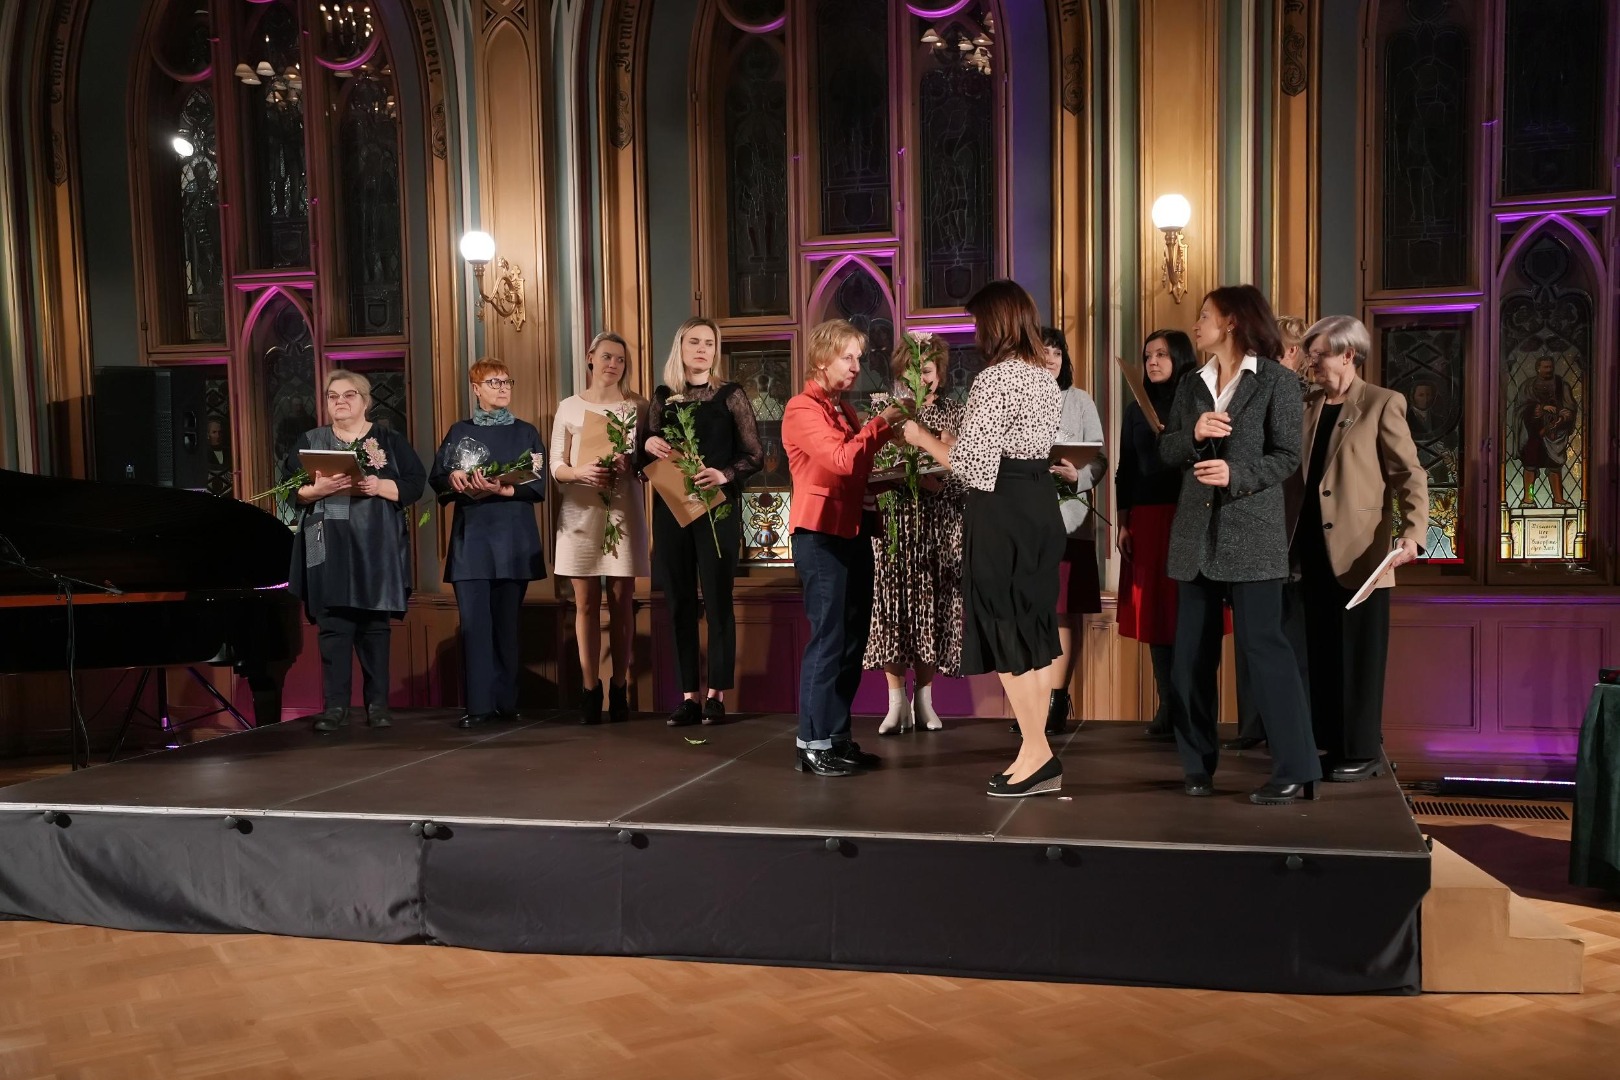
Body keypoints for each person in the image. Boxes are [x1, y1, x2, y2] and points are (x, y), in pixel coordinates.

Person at [899, 280, 1066, 797]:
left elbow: (973, 467)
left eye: (977, 322)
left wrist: (924, 439)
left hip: (1002, 512)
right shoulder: (1043, 377)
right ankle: (1034, 752)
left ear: (995, 323)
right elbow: (1008, 447)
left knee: (1004, 626)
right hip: (1038, 506)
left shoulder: (995, 378)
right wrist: (960, 441)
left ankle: (1039, 753)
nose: (974, 333)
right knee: (1033, 631)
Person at [1158, 284, 1320, 805]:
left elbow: (1287, 457)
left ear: (1231, 322)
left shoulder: (1277, 381)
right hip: (1195, 538)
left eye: (1205, 315)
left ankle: (1296, 768)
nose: (1197, 323)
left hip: (1253, 534)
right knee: (1190, 661)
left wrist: (1236, 474)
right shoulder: (1192, 383)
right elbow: (1168, 448)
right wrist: (1193, 433)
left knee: (1265, 653)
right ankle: (1197, 765)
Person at [1291, 315, 1427, 781]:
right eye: (1309, 356)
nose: (1311, 364)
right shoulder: (1307, 403)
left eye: (1319, 355)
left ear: (1348, 354)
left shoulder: (1382, 403)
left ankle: (1363, 750)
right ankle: (1331, 743)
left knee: (1359, 656)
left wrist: (1414, 532)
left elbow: (1409, 475)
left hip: (1361, 553)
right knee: (1321, 651)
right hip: (1309, 549)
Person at [782, 320, 905, 775]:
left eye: (859, 358)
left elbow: (857, 471)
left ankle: (836, 736)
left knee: (852, 639)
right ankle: (811, 742)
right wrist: (882, 423)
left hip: (852, 532)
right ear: (821, 359)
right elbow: (840, 460)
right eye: (847, 357)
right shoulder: (801, 408)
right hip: (819, 535)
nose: (856, 366)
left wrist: (895, 473)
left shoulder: (845, 410)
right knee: (829, 638)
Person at [287, 369, 426, 732]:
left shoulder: (389, 439)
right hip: (326, 543)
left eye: (348, 395)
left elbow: (415, 484)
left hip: (374, 544)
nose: (340, 402)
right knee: (332, 627)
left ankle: (377, 705)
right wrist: (315, 491)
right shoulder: (311, 441)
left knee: (374, 627)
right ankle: (335, 707)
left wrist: (380, 486)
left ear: (365, 401)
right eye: (333, 396)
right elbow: (288, 489)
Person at [641, 317, 763, 726]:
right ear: (680, 347)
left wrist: (724, 474)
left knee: (717, 600)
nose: (702, 349)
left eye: (709, 343)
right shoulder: (663, 397)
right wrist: (648, 442)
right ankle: (689, 696)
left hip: (718, 510)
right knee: (679, 601)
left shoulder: (731, 395)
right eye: (694, 342)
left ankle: (716, 695)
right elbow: (644, 458)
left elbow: (754, 455)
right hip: (672, 510)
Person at [428, 359, 547, 729]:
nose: (502, 387)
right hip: (473, 541)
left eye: (506, 381)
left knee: (506, 627)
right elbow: (437, 479)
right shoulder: (459, 431)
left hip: (513, 540)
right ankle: (479, 706)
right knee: (475, 627)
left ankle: (506, 704)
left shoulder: (526, 432)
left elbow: (539, 483)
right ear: (475, 388)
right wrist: (454, 476)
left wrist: (504, 488)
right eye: (493, 382)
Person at [866, 331, 967, 735]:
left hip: (938, 526)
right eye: (911, 372)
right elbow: (867, 464)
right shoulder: (884, 410)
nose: (919, 379)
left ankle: (924, 700)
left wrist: (937, 484)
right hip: (894, 525)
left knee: (931, 608)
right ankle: (895, 703)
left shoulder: (955, 414)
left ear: (939, 373)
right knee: (892, 609)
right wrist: (890, 475)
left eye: (925, 371)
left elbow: (970, 475)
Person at [550, 332, 649, 724]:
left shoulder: (638, 406)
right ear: (590, 357)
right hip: (580, 513)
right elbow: (556, 465)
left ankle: (619, 687)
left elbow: (652, 465)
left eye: (620, 360)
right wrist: (580, 472)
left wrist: (632, 465)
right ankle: (590, 689)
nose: (613, 365)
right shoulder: (569, 407)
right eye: (607, 357)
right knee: (586, 603)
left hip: (623, 511)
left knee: (622, 601)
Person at [1020, 325, 1105, 736]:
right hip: (1026, 524)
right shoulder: (1017, 400)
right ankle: (1032, 703)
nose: (1051, 359)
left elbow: (1099, 459)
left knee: (1062, 612)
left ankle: (1057, 700)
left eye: (1056, 352)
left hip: (1070, 523)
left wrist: (1078, 476)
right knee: (1030, 612)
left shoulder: (1080, 401)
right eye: (1043, 352)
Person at [1115, 329, 1197, 739]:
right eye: (1148, 355)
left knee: (1187, 613)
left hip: (1187, 514)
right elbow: (1126, 469)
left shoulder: (1197, 402)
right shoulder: (1136, 410)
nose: (1152, 362)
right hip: (1146, 518)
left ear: (1180, 357)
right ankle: (1167, 704)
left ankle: (1189, 707)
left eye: (1162, 354)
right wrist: (1123, 521)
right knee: (1156, 616)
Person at [1515, 354, 1576, 506]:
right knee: (1530, 465)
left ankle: (1558, 499)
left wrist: (1562, 417)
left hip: (1554, 435)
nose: (1549, 370)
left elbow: (1570, 408)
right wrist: (1541, 408)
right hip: (1532, 433)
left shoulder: (1562, 386)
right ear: (1538, 368)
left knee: (1554, 467)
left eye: (1551, 367)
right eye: (1546, 367)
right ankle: (1529, 498)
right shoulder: (1527, 387)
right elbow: (1520, 408)